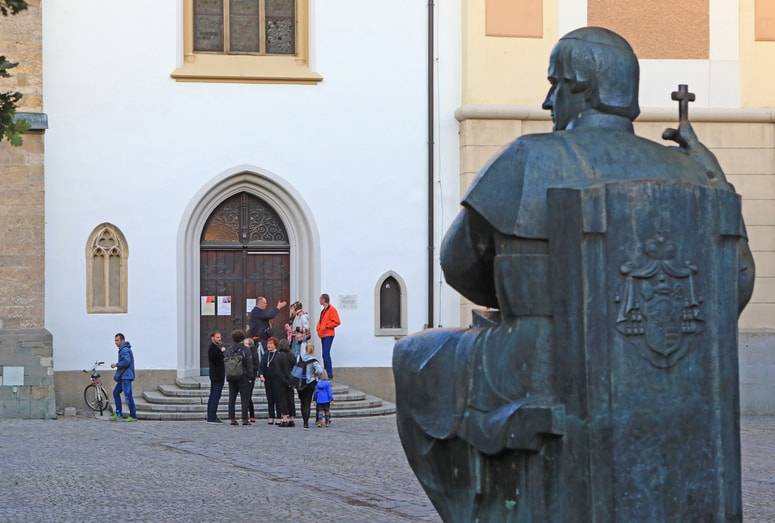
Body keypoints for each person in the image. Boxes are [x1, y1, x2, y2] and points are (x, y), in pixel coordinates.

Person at [392, 27, 755, 522]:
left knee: (414, 356)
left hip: (538, 363)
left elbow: (459, 266)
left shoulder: (528, 157)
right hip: (668, 373)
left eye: (555, 85)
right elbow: (736, 283)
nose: (548, 102)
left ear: (582, 86)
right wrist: (716, 180)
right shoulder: (692, 172)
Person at [259, 336, 292, 426]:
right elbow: (261, 366)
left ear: (275, 345)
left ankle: (278, 416)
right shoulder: (265, 354)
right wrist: (261, 375)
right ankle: (271, 416)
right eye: (268, 344)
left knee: (278, 398)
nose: (268, 345)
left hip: (277, 379)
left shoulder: (278, 354)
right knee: (270, 398)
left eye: (271, 344)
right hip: (268, 379)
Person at [225, 329, 253, 426]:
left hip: (232, 375)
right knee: (244, 398)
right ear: (243, 338)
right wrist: (251, 376)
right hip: (243, 376)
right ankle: (244, 418)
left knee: (232, 397)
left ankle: (232, 418)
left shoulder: (229, 349)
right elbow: (249, 363)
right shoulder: (245, 349)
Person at [109, 333, 136, 422]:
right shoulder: (123, 349)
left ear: (122, 340)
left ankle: (133, 416)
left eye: (117, 340)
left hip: (126, 376)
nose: (115, 342)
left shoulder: (125, 350)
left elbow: (127, 362)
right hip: (123, 376)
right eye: (115, 340)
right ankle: (118, 414)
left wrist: (116, 364)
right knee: (116, 393)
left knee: (128, 396)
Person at [297, 341, 324, 430]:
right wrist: (315, 373)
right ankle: (306, 423)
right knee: (307, 402)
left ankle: (304, 420)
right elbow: (320, 371)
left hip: (300, 381)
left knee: (302, 402)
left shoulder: (299, 357)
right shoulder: (314, 360)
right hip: (310, 382)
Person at [316, 293, 340, 379]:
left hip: (328, 334)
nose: (319, 300)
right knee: (324, 354)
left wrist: (327, 326)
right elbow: (321, 321)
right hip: (323, 334)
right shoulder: (323, 311)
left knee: (326, 354)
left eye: (320, 299)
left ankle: (329, 374)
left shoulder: (332, 309)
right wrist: (318, 329)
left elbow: (337, 322)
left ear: (324, 300)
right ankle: (326, 373)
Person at [206, 330, 225, 423]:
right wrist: (221, 351)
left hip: (218, 375)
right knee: (215, 396)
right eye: (217, 337)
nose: (219, 339)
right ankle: (212, 416)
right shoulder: (212, 348)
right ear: (212, 338)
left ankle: (211, 415)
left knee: (214, 395)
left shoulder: (216, 347)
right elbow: (214, 359)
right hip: (216, 375)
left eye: (220, 337)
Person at [277, 338, 297, 427]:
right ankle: (292, 419)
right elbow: (295, 369)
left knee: (283, 400)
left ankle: (284, 418)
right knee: (291, 400)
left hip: (281, 381)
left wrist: (284, 380)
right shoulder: (292, 356)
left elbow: (278, 370)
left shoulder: (278, 356)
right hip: (291, 380)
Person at [243, 337, 260, 423]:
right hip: (244, 376)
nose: (245, 345)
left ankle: (251, 415)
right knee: (246, 396)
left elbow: (256, 366)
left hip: (251, 376)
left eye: (246, 344)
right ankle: (247, 415)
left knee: (248, 396)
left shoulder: (254, 353)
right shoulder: (243, 352)